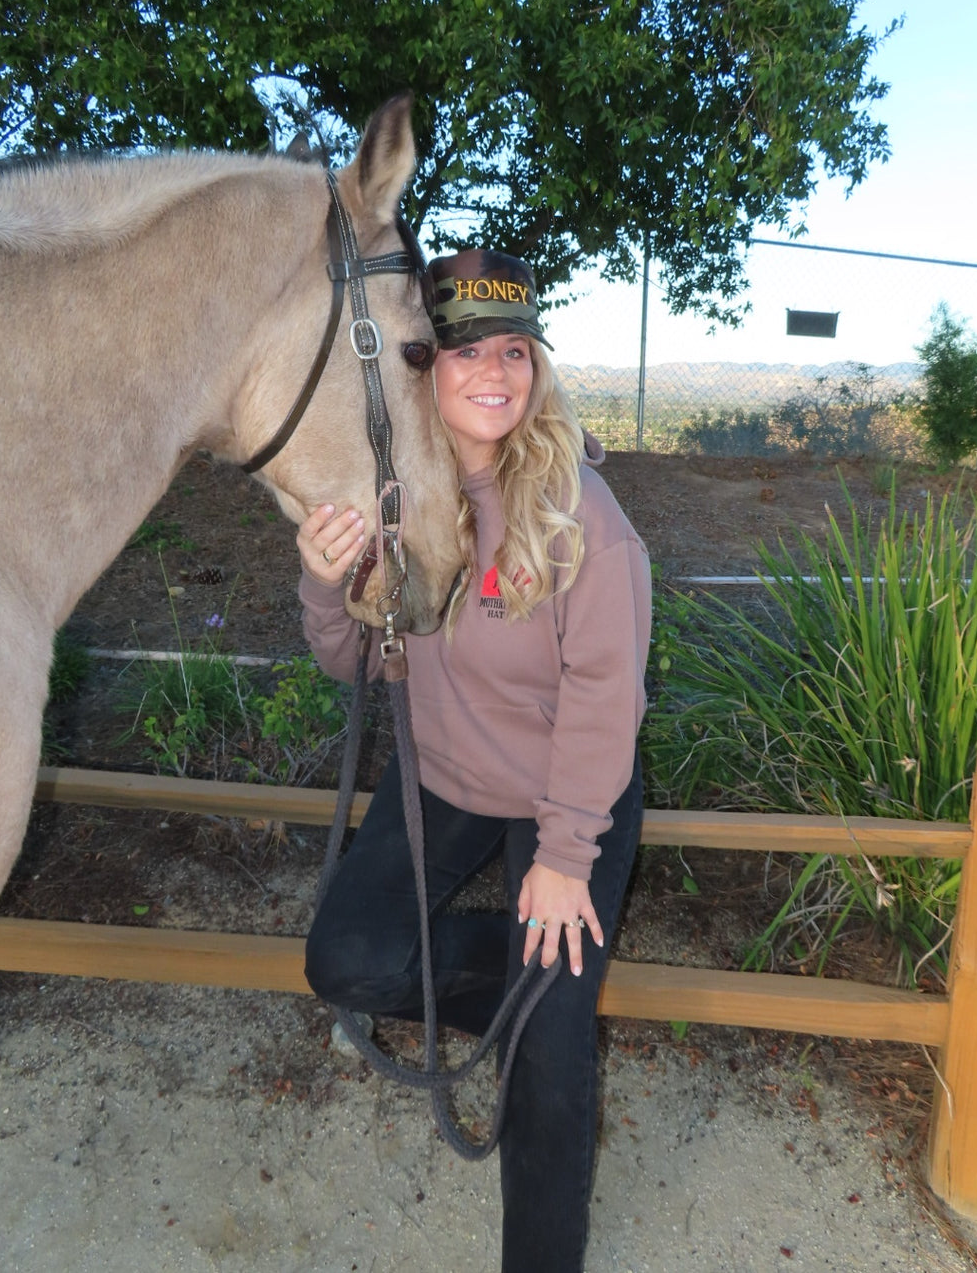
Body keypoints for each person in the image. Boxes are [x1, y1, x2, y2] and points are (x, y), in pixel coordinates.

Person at [297, 248, 651, 1273]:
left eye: (513, 350)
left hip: (565, 798)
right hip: (441, 779)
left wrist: (565, 857)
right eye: (464, 353)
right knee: (347, 961)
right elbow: (352, 658)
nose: (492, 372)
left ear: (536, 365)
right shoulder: (399, 500)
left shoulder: (585, 517)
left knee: (549, 1058)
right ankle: (546, 980)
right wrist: (327, 584)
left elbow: (604, 700)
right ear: (426, 370)